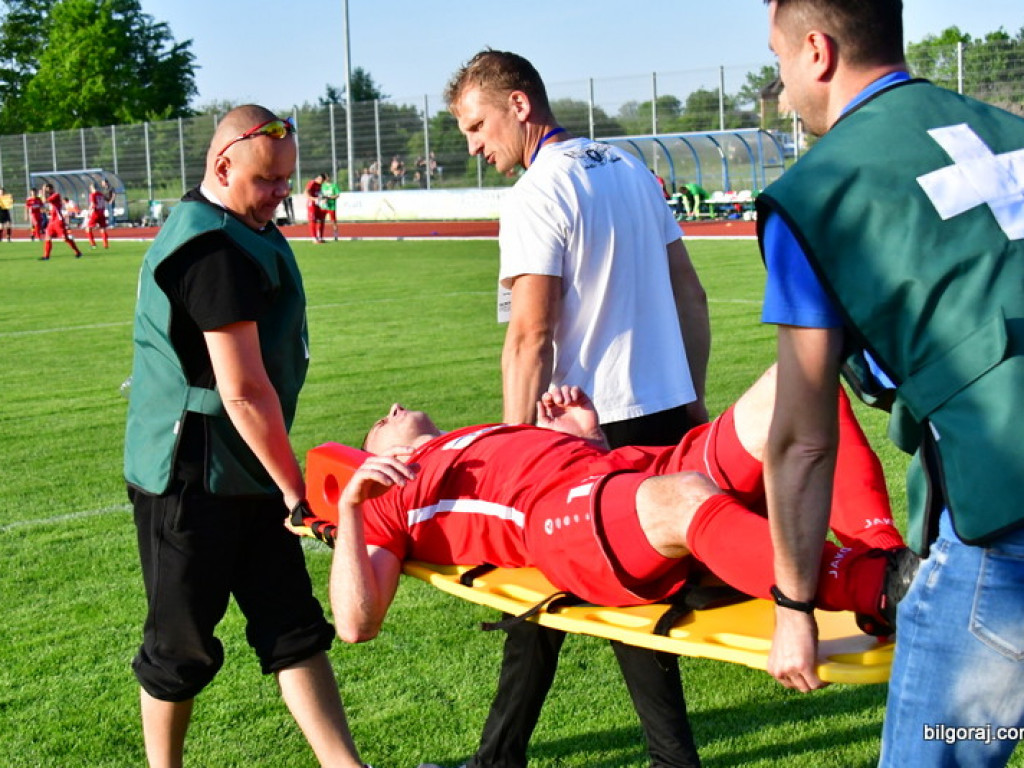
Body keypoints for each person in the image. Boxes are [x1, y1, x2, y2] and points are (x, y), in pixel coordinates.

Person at [757, 2, 1024, 766]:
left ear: (817, 50)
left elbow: (804, 440)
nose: (780, 86)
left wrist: (794, 607)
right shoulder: (1006, 127)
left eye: (777, 59)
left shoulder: (820, 191)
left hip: (1001, 526)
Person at [438, 49, 712, 768]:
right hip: (665, 410)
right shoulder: (628, 169)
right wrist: (693, 402)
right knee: (544, 601)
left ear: (520, 106)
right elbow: (692, 297)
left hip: (590, 424)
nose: (473, 145)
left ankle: (671, 759)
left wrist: (514, 449)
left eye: (476, 125)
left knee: (612, 592)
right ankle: (498, 758)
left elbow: (531, 333)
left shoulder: (537, 193)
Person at [323, 368, 912, 660]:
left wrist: (587, 438)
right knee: (683, 497)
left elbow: (595, 482)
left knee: (802, 378)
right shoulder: (390, 496)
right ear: (382, 454)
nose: (394, 406)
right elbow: (355, 624)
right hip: (557, 524)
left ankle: (881, 552)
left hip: (623, 475)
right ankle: (874, 588)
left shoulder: (480, 432)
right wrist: (350, 507)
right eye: (381, 420)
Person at [123, 105, 368, 768]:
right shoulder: (213, 249)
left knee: (292, 624)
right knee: (181, 645)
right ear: (222, 164)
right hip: (191, 475)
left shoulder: (232, 224)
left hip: (245, 462)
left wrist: (278, 481)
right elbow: (243, 389)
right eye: (266, 180)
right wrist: (295, 492)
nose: (279, 194)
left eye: (287, 179)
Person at [39, 184, 82, 260]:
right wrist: (47, 211)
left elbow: (45, 200)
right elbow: (52, 208)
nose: (47, 191)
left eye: (48, 189)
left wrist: (42, 192)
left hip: (58, 221)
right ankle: (46, 256)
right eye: (46, 189)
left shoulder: (56, 195)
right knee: (47, 237)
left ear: (52, 189)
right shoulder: (50, 197)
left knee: (65, 239)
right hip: (52, 221)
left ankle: (78, 252)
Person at [84, 182, 110, 249]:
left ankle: (93, 244)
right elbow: (108, 199)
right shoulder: (101, 194)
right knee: (102, 229)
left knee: (88, 228)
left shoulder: (92, 195)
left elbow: (93, 204)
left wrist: (89, 212)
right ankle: (105, 244)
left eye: (90, 187)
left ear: (92, 187)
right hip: (102, 213)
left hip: (95, 213)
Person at [319, 172, 341, 240]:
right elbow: (319, 195)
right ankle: (320, 236)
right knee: (321, 221)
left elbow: (337, 195)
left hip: (331, 206)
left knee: (333, 221)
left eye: (326, 177)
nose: (325, 179)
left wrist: (329, 198)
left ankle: (335, 236)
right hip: (323, 206)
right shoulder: (322, 186)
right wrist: (322, 199)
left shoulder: (334, 185)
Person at [305, 172, 325, 243]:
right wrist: (313, 199)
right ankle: (314, 238)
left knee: (321, 219)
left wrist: (322, 199)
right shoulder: (312, 183)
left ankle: (320, 237)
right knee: (312, 220)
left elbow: (319, 194)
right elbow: (306, 192)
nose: (322, 182)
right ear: (319, 178)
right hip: (312, 204)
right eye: (322, 181)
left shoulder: (319, 185)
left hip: (317, 204)